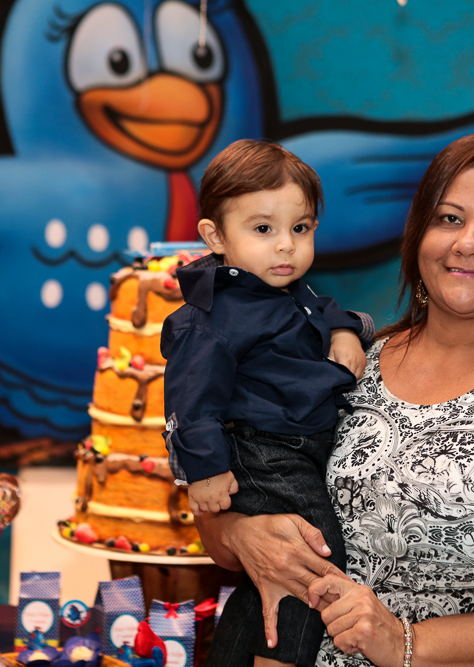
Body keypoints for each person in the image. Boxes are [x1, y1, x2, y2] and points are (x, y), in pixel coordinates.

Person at [196, 132, 474, 667]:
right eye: (449, 219)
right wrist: (240, 534)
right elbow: (232, 498)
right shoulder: (344, 361)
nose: (469, 243)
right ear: (418, 236)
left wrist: (407, 643)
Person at [161, 139, 375, 667]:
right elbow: (191, 400)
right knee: (314, 556)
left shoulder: (287, 288)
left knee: (273, 573)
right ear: (216, 236)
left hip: (300, 446)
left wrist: (344, 331)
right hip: (263, 452)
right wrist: (204, 470)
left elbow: (324, 308)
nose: (286, 247)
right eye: (263, 229)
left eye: (300, 228)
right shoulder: (213, 317)